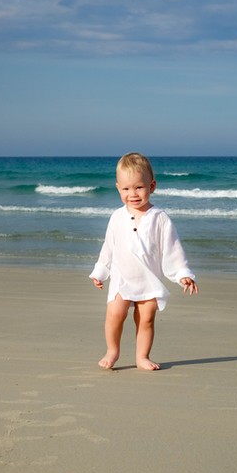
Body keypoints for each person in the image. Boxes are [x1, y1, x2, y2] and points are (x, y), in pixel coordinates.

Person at [90, 152, 198, 370]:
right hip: (122, 279)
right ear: (118, 188)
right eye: (126, 189)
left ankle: (142, 357)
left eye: (139, 187)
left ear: (152, 186)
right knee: (115, 314)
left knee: (146, 318)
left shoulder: (160, 218)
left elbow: (172, 249)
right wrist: (100, 271)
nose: (133, 194)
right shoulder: (117, 217)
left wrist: (183, 274)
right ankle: (112, 351)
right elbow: (109, 247)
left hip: (148, 280)